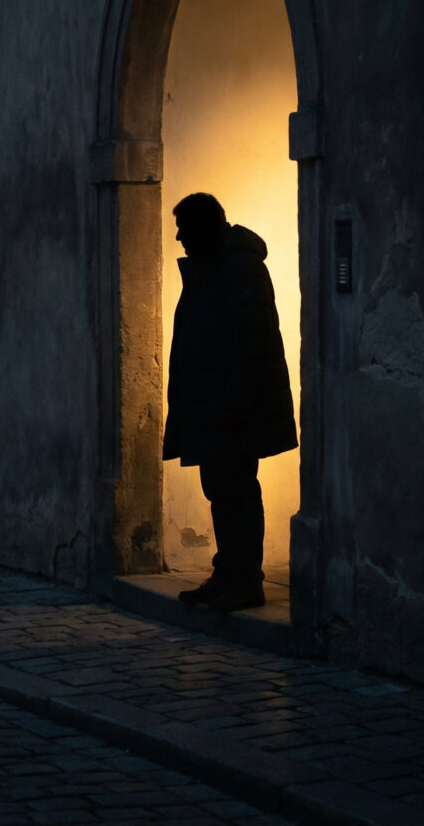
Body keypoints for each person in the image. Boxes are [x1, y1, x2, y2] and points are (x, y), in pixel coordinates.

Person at [163, 193, 297, 612]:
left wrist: (235, 404)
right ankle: (228, 572)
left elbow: (253, 342)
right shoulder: (213, 268)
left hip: (233, 411)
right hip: (213, 407)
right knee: (220, 491)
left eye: (185, 227)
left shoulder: (240, 269)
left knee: (236, 490)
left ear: (207, 226)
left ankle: (245, 579)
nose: (180, 237)